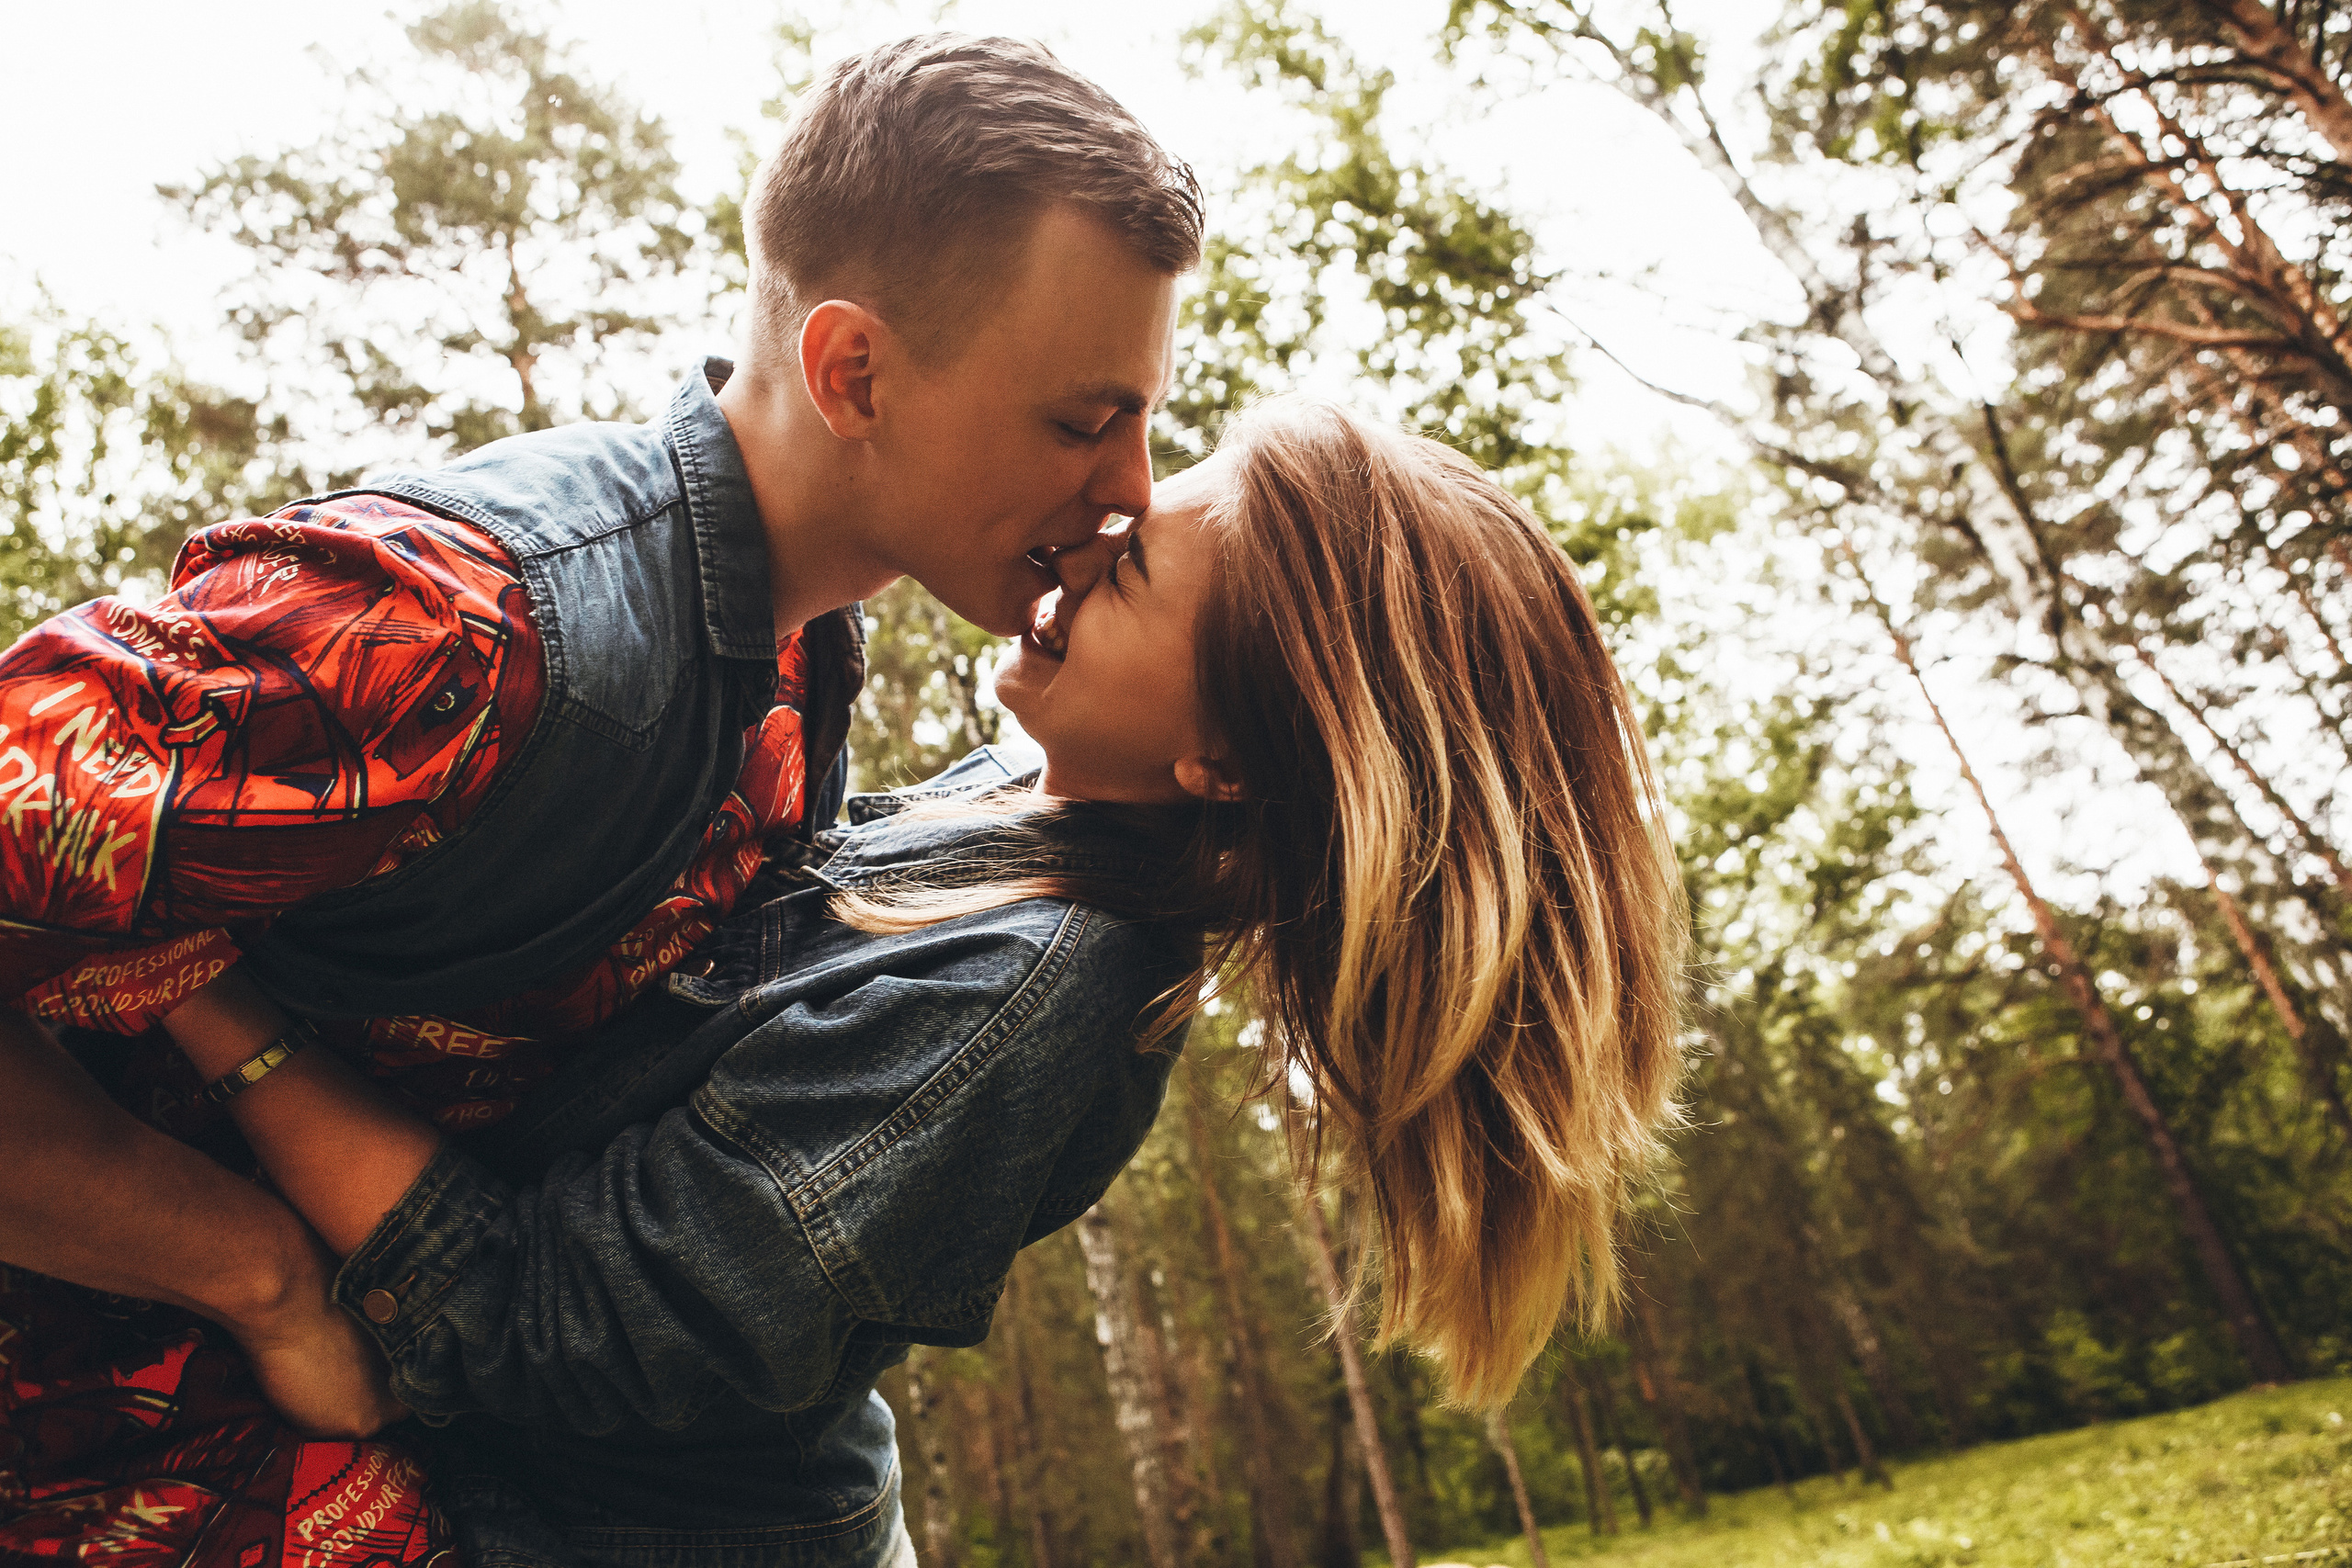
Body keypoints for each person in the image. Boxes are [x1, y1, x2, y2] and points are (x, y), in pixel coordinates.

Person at [0, 34, 1200, 1563]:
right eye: (1084, 421)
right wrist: (248, 1272)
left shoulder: (789, 661)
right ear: (856, 373)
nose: (1135, 487)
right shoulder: (461, 633)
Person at [158, 395, 1690, 1566]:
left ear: (1216, 760)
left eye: (1139, 564)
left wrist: (200, 991)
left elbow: (559, 1321)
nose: (1094, 535)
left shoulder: (1034, 992)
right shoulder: (1012, 813)